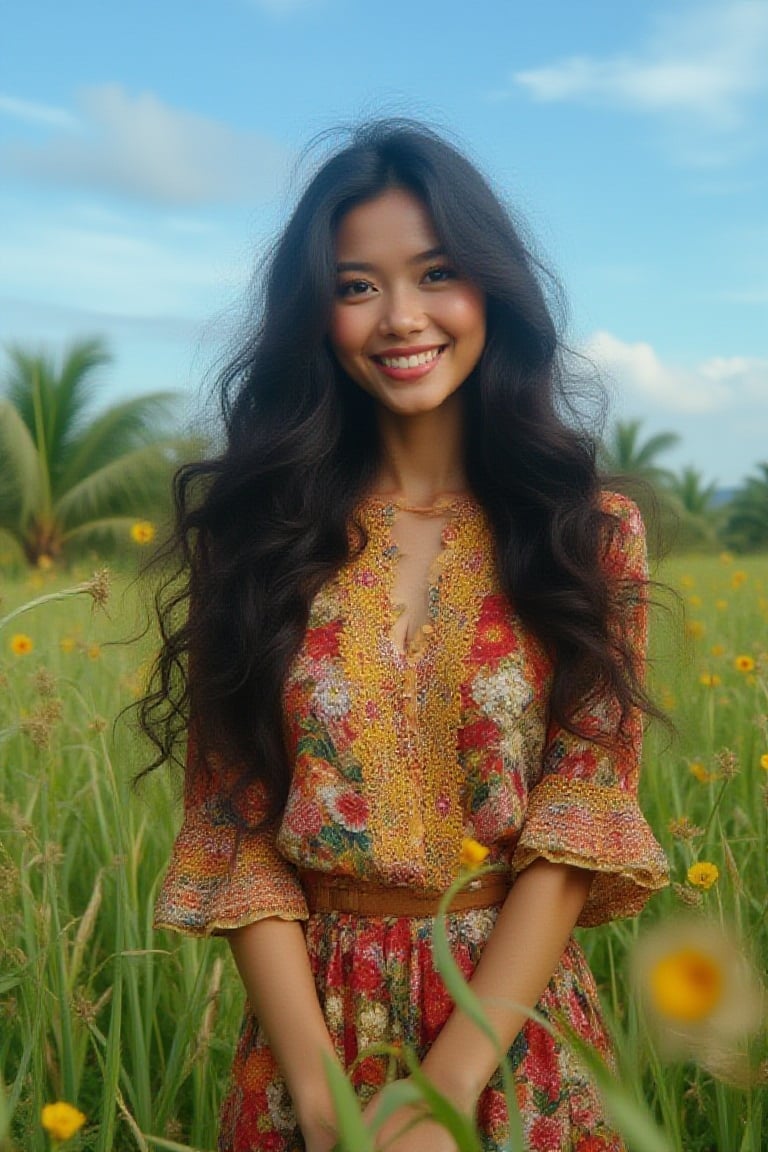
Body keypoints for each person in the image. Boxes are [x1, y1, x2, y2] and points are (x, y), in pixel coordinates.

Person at [144, 120, 669, 1152]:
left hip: (513, 1037)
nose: (402, 317)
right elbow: (234, 826)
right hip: (310, 1039)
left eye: (436, 273)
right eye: (355, 286)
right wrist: (320, 1093)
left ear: (491, 291)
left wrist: (443, 1093)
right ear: (318, 315)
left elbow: (580, 813)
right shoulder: (258, 538)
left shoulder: (587, 531)